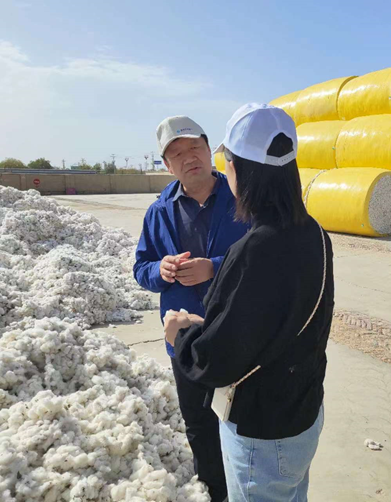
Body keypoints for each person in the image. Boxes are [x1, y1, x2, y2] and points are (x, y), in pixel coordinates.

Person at [164, 103, 335, 502]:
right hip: (303, 412)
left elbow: (220, 358)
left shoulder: (257, 249)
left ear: (239, 169)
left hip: (264, 430)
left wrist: (183, 335)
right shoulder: (314, 234)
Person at [133, 116, 249, 502]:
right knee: (199, 424)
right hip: (185, 341)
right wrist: (160, 271)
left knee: (243, 421)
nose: (188, 158)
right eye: (177, 154)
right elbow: (141, 269)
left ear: (209, 150)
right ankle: (216, 492)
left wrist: (213, 267)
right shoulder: (159, 211)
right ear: (167, 165)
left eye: (194, 148)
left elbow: (266, 256)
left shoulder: (242, 199)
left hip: (237, 333)